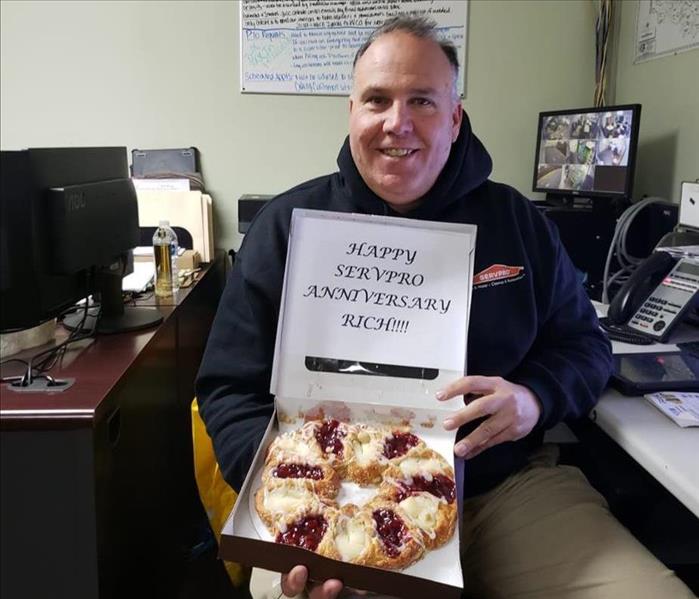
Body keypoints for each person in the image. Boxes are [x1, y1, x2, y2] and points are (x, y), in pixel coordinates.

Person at [196, 16, 695, 599]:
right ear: (351, 112)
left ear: (455, 118)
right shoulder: (286, 229)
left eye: (423, 102)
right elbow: (228, 388)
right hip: (331, 502)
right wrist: (290, 495)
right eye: (376, 100)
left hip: (502, 486)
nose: (396, 123)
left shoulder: (519, 224)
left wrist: (536, 398)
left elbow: (585, 347)